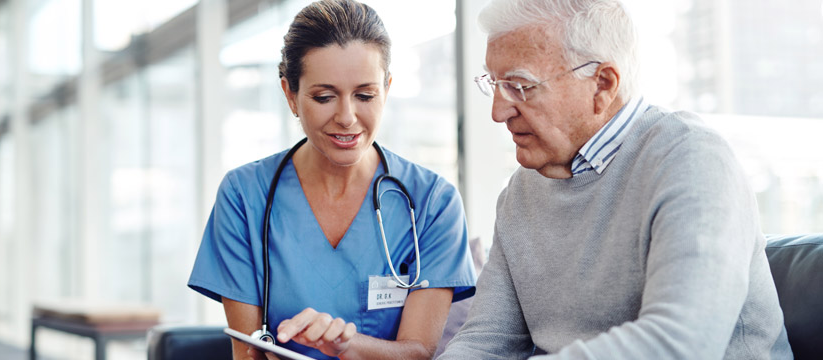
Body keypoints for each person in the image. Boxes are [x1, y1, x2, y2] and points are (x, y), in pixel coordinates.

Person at [439, 0, 793, 359]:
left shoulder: (692, 158)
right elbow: (485, 340)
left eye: (520, 86)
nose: (498, 112)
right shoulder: (521, 191)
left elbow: (680, 343)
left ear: (602, 85)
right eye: (494, 84)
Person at [188, 1, 476, 359]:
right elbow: (248, 353)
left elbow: (417, 352)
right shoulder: (244, 196)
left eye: (365, 95)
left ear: (387, 88)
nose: (346, 117)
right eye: (324, 97)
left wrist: (346, 346)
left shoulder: (433, 202)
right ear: (290, 95)